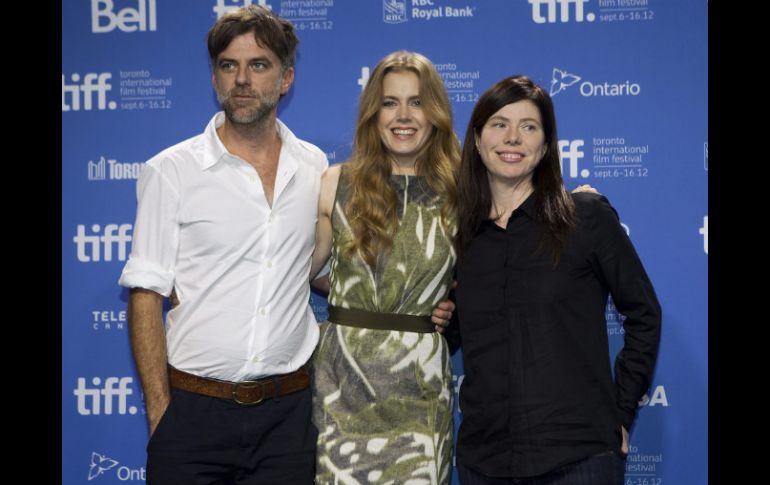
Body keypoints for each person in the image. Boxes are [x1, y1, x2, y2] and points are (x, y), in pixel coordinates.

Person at [117, 6, 325, 483]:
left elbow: (315, 270)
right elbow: (146, 293)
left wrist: (410, 305)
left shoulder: (314, 166)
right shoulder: (170, 171)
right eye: (229, 66)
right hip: (192, 415)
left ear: (286, 77)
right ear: (214, 77)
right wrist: (160, 413)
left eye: (259, 65)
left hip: (289, 420)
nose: (242, 80)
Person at [451, 75, 662, 485]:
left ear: (546, 145)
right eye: (499, 124)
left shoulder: (586, 218)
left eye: (529, 127)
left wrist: (619, 414)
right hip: (485, 461)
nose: (513, 138)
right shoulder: (460, 236)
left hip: (578, 459)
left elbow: (644, 314)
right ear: (477, 140)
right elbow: (457, 334)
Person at [308, 51, 460, 484]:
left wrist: (580, 200)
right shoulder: (337, 183)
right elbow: (299, 271)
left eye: (416, 102)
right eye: (390, 103)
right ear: (374, 113)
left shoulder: (459, 189)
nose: (403, 115)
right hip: (343, 386)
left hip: (421, 387)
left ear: (435, 114)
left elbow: (498, 268)